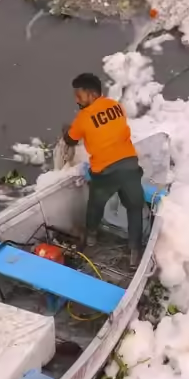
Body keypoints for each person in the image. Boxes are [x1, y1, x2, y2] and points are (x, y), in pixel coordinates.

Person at [62, 72, 145, 268]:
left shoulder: (83, 117)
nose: (77, 100)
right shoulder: (116, 106)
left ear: (91, 95)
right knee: (135, 207)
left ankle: (91, 237)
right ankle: (135, 252)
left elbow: (70, 139)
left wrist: (67, 131)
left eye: (79, 95)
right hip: (130, 165)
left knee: (95, 204)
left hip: (105, 171)